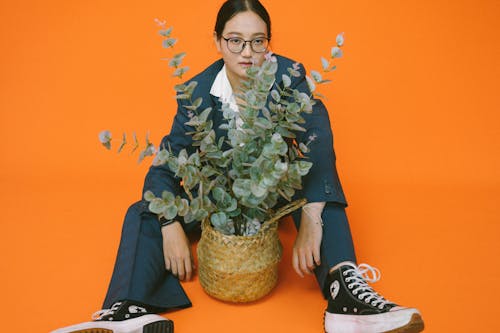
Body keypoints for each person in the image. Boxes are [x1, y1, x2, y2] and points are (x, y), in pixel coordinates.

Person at [51, 1, 425, 332]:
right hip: (218, 201)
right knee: (144, 210)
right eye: (235, 40)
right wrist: (169, 225)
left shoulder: (289, 77)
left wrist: (311, 217)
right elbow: (166, 162)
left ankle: (345, 293)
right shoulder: (196, 93)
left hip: (275, 192)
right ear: (217, 42)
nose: (246, 52)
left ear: (268, 44)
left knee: (322, 197)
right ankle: (129, 310)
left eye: (257, 41)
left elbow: (319, 141)